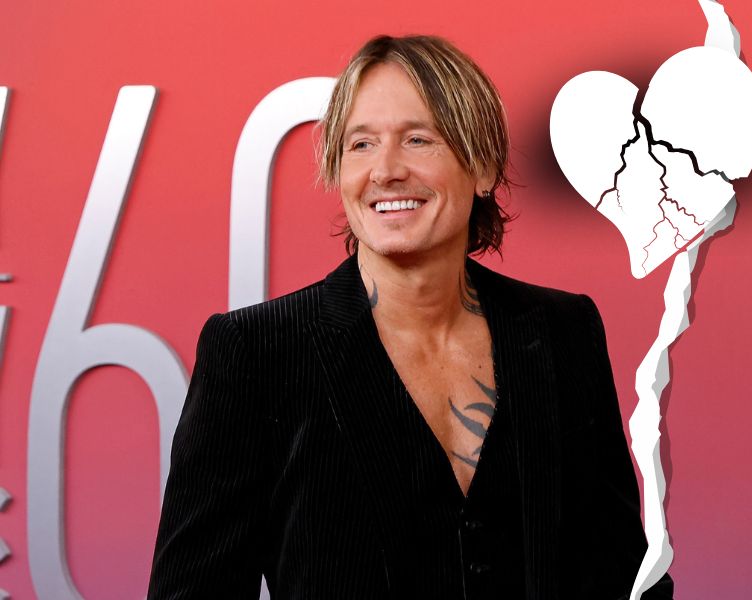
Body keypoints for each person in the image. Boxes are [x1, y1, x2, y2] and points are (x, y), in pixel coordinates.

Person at [148, 35, 672, 599]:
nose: (385, 170)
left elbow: (626, 575)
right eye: (361, 145)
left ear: (483, 167)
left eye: (418, 139)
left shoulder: (562, 330)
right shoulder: (255, 353)